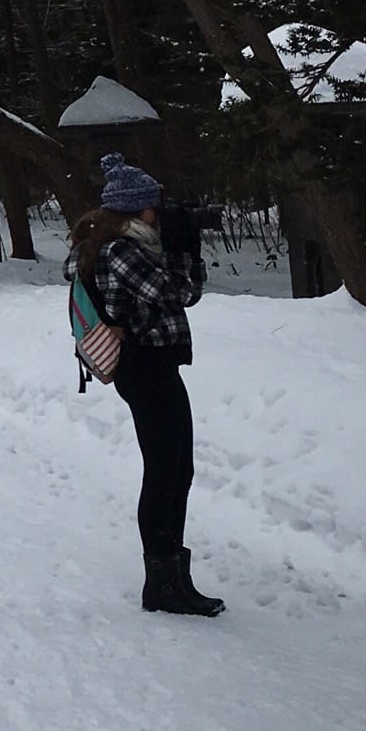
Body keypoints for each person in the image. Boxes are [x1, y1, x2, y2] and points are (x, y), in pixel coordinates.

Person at [68, 152, 224, 617]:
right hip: (144, 369)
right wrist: (182, 249)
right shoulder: (118, 251)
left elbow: (188, 293)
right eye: (155, 208)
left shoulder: (136, 247)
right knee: (164, 472)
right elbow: (171, 294)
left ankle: (173, 576)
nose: (161, 214)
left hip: (159, 365)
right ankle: (161, 584)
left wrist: (184, 249)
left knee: (179, 471)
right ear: (135, 212)